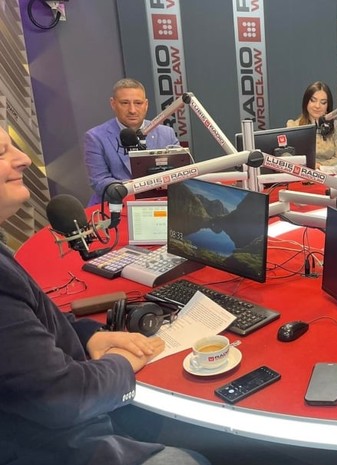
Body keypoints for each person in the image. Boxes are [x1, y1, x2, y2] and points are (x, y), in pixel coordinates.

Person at [0, 127, 209, 464]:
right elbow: (64, 398)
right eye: (2, 152)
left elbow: (33, 326)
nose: (24, 158)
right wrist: (121, 364)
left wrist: (90, 336)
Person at [84, 78, 179, 206]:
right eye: (125, 103)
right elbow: (99, 181)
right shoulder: (95, 137)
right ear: (113, 104)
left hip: (160, 203)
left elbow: (180, 172)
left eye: (138, 103)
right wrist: (132, 190)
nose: (132, 110)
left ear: (146, 104)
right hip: (116, 205)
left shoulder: (166, 133)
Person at [286, 81, 337, 169]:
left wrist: (319, 166)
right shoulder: (293, 126)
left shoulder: (336, 126)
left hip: (329, 173)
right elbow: (289, 159)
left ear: (328, 106)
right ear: (306, 102)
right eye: (313, 100)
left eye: (323, 102)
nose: (317, 106)